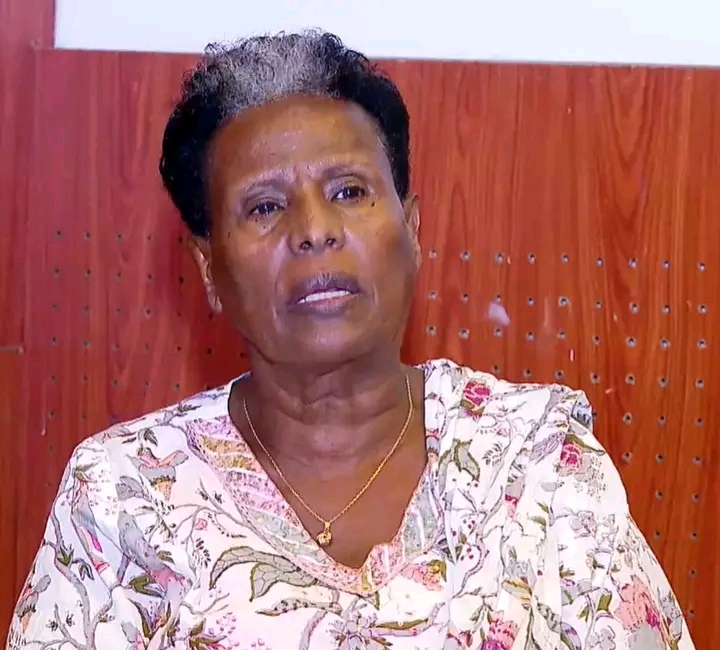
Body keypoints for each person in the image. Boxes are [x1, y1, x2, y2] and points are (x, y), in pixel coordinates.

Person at [8, 30, 694, 650]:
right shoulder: (124, 495)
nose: (315, 230)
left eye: (348, 192)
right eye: (265, 206)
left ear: (412, 230)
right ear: (210, 269)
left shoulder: (538, 464)